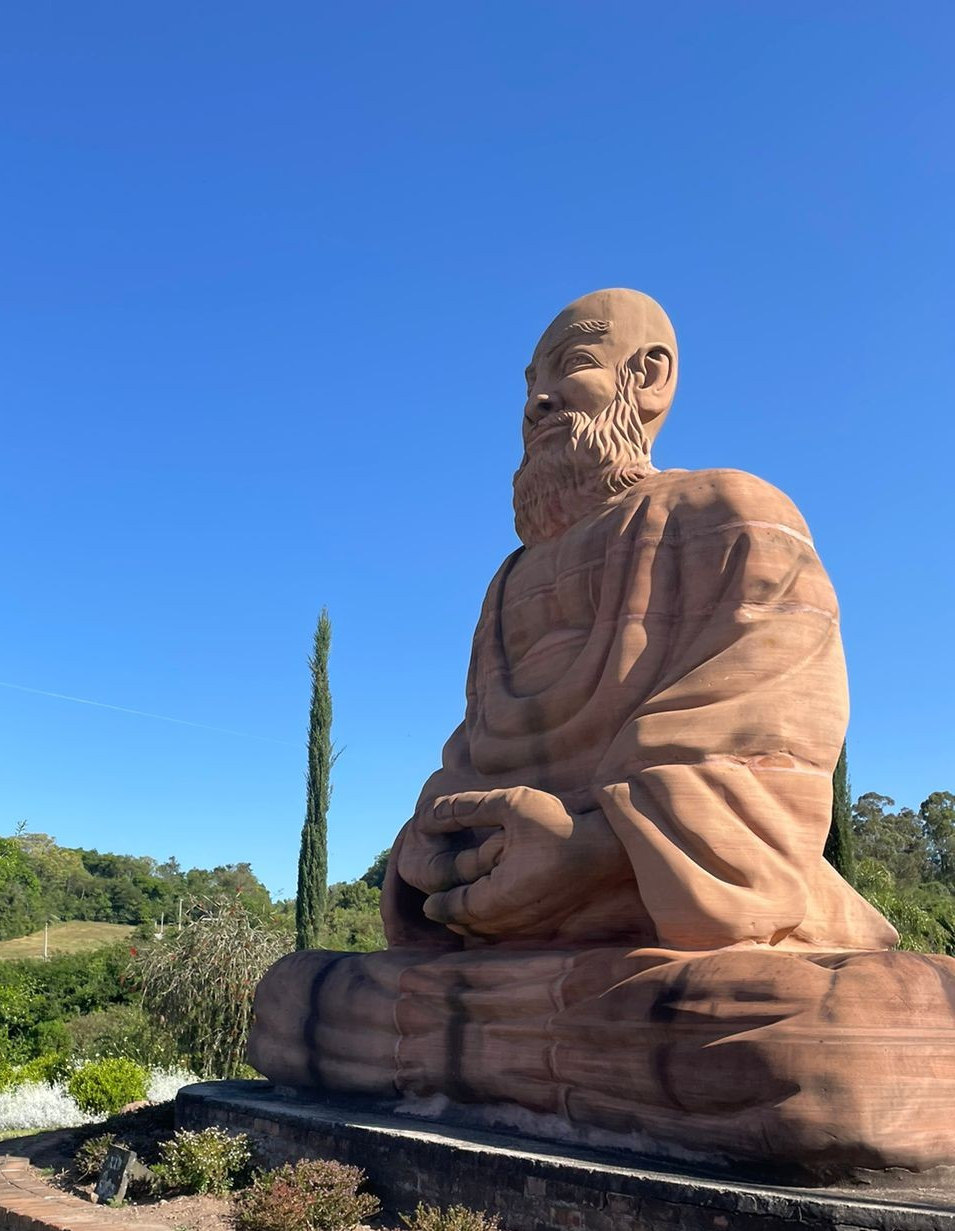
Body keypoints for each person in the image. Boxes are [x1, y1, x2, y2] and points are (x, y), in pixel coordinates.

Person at [248, 290, 955, 1178]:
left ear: (648, 377)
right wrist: (430, 856)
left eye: (570, 367)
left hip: (680, 923)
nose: (537, 402)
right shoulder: (508, 584)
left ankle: (519, 1050)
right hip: (519, 943)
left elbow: (769, 750)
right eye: (527, 386)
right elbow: (468, 762)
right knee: (295, 1000)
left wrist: (592, 849)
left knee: (824, 1044)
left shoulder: (729, 514)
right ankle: (534, 1049)